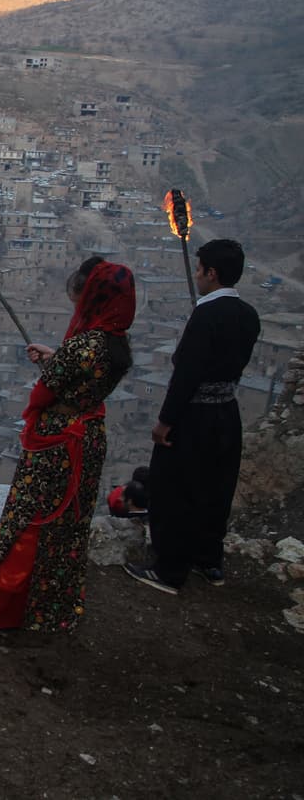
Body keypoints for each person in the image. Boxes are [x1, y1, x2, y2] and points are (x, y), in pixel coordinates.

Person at [0, 258, 135, 635]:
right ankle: (50, 613)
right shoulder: (117, 344)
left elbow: (45, 394)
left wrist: (54, 367)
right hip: (88, 439)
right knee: (66, 529)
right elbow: (78, 381)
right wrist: (55, 359)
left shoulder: (82, 345)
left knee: (27, 525)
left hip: (56, 446)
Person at [125, 239, 260, 594]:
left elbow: (187, 374)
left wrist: (165, 422)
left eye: (200, 269)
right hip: (226, 412)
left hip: (193, 416)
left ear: (212, 273)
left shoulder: (205, 315)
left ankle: (169, 571)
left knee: (174, 490)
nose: (197, 275)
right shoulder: (248, 314)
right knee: (216, 488)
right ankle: (209, 561)